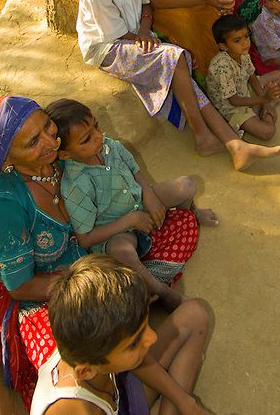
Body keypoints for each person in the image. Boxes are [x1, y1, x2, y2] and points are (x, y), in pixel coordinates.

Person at [73, 0, 280, 170]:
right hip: (109, 48)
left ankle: (228, 143)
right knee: (174, 57)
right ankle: (210, 137)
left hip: (136, 33)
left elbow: (146, 6)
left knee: (179, 60)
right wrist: (148, 37)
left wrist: (144, 30)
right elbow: (116, 36)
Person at [0, 96, 87, 409]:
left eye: (47, 126)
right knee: (82, 368)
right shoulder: (1, 208)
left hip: (84, 265)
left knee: (174, 223)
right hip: (37, 297)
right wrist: (90, 286)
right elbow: (21, 287)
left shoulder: (60, 162)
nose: (51, 141)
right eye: (32, 142)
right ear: (5, 157)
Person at [47, 98, 218, 313]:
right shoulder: (75, 185)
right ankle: (161, 292)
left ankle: (191, 213)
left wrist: (148, 194)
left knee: (186, 185)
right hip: (117, 230)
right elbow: (86, 238)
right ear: (64, 154)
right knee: (123, 253)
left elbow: (136, 172)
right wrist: (131, 220)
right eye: (86, 139)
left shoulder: (110, 146)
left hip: (140, 204)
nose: (99, 136)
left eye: (96, 126)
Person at [30, 255, 213, 415]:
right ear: (86, 371)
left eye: (145, 326)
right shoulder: (74, 409)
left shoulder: (90, 340)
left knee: (195, 314)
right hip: (118, 395)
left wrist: (187, 404)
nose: (153, 337)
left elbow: (138, 360)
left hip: (120, 387)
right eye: (134, 343)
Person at [206, 14, 280, 141]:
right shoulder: (221, 66)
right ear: (223, 46)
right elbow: (234, 101)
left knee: (278, 76)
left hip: (244, 88)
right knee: (268, 132)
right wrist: (265, 99)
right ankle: (269, 106)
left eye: (246, 36)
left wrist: (264, 102)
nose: (245, 43)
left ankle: (261, 107)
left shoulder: (243, 53)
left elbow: (252, 77)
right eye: (237, 40)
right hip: (231, 108)